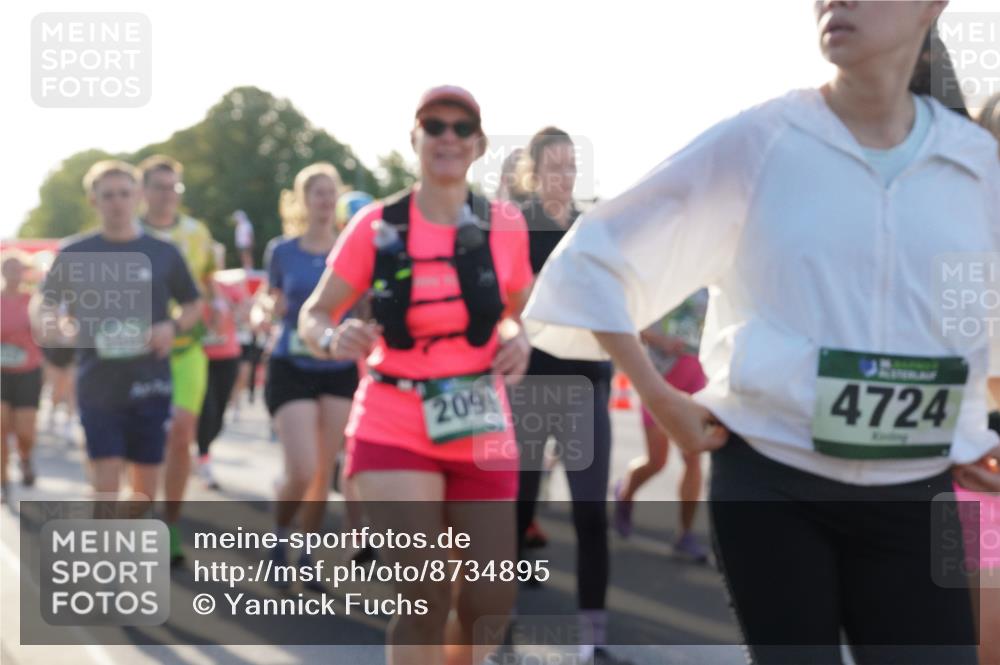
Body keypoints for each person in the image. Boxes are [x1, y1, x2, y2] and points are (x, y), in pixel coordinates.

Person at [523, 3, 999, 663]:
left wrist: (973, 420)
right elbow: (595, 256)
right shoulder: (762, 139)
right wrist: (658, 393)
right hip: (774, 487)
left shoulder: (978, 165)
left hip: (919, 494)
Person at [299, 85, 533, 665]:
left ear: (478, 144)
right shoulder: (376, 226)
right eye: (435, 125)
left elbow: (516, 318)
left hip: (478, 422)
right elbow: (314, 314)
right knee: (426, 594)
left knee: (488, 605)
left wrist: (518, 339)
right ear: (415, 138)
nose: (447, 136)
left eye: (461, 127)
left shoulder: (504, 224)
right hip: (393, 422)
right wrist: (333, 337)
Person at [511, 127, 623, 664]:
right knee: (517, 508)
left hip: (585, 384)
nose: (566, 174)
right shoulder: (512, 225)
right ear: (533, 171)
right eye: (555, 164)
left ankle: (593, 640)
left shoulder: (590, 229)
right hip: (529, 385)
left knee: (589, 514)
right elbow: (507, 304)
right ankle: (498, 626)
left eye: (572, 164)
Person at [33, 160, 199, 510]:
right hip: (98, 384)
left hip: (150, 383)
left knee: (144, 495)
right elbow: (45, 303)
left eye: (125, 193)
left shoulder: (164, 252)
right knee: (106, 484)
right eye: (108, 195)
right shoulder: (74, 252)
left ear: (138, 196)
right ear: (94, 201)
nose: (117, 202)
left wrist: (171, 326)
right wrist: (53, 325)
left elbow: (193, 306)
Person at [262, 162, 362, 587]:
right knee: (301, 468)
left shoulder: (355, 247)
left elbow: (365, 302)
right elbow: (268, 299)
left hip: (338, 369)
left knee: (324, 469)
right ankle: (281, 533)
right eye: (315, 192)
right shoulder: (282, 251)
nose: (323, 200)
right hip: (292, 366)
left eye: (329, 192)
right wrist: (265, 311)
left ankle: (307, 550)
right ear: (302, 200)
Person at [138, 155, 217, 565]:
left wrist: (216, 306)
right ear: (143, 191)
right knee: (143, 442)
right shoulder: (128, 234)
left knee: (181, 433)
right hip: (138, 356)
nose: (168, 194)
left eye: (174, 187)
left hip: (187, 350)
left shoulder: (196, 233)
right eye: (159, 186)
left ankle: (169, 524)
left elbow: (205, 283)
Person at [614, 289, 710, 563]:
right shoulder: (664, 272)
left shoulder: (711, 277)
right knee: (658, 461)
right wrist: (662, 341)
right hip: (657, 380)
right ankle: (625, 494)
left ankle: (686, 534)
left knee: (693, 458)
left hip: (695, 380)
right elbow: (628, 324)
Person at [195, 243, 251, 489]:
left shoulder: (230, 287)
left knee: (218, 415)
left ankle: (201, 448)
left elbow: (246, 313)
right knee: (205, 410)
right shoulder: (192, 286)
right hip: (199, 357)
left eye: (216, 260)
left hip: (227, 355)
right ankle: (204, 458)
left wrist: (238, 307)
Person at [1, 252, 44, 503]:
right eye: (8, 268)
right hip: (1, 374)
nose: (13, 273)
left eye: (18, 269)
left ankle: (25, 457)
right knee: (1, 427)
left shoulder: (33, 300)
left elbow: (45, 330)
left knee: (25, 432)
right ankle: (3, 482)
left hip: (27, 371)